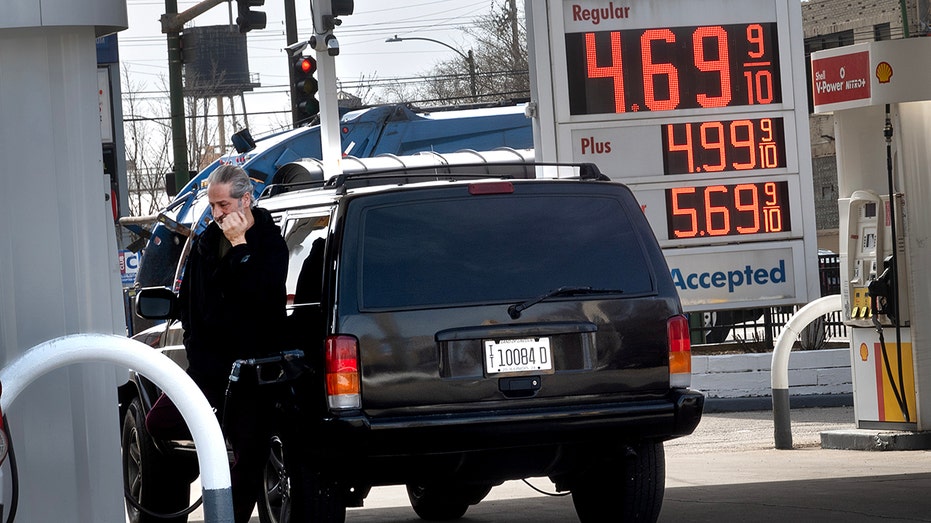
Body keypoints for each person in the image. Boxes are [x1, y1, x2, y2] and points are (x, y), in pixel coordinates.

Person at [146, 164, 289, 523]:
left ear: (246, 200)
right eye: (212, 206)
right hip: (208, 368)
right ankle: (216, 445)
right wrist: (196, 347)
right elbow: (192, 304)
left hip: (250, 371)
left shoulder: (268, 242)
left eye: (223, 205)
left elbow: (259, 296)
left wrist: (241, 247)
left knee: (247, 463)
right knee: (159, 421)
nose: (217, 214)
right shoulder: (206, 243)